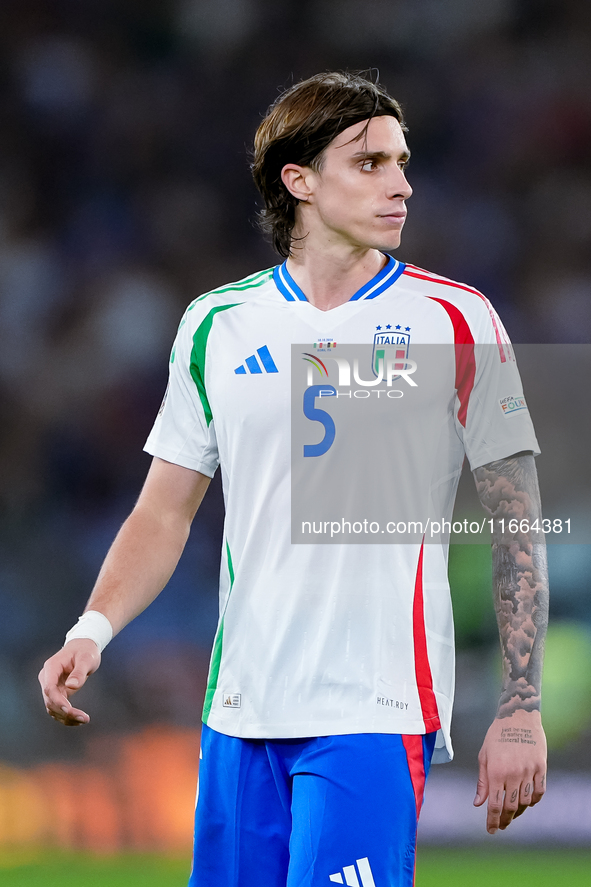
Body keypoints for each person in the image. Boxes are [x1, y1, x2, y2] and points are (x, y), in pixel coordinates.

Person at [39, 72, 548, 887]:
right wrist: (91, 629)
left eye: (403, 161)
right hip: (240, 710)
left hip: (373, 709)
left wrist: (520, 707)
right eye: (371, 162)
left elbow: (515, 520)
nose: (402, 183)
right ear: (299, 179)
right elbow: (163, 512)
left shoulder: (454, 319)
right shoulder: (215, 323)